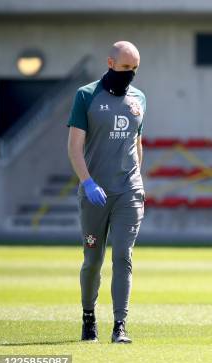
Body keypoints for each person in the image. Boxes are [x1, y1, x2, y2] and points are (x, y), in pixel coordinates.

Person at [67, 41, 146, 344]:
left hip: (129, 190)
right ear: (111, 63)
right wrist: (87, 182)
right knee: (93, 261)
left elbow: (138, 144)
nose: (130, 74)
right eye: (126, 67)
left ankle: (120, 325)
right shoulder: (86, 95)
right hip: (95, 192)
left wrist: (138, 183)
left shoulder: (139, 99)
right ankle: (89, 317)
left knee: (123, 256)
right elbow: (74, 147)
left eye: (135, 69)